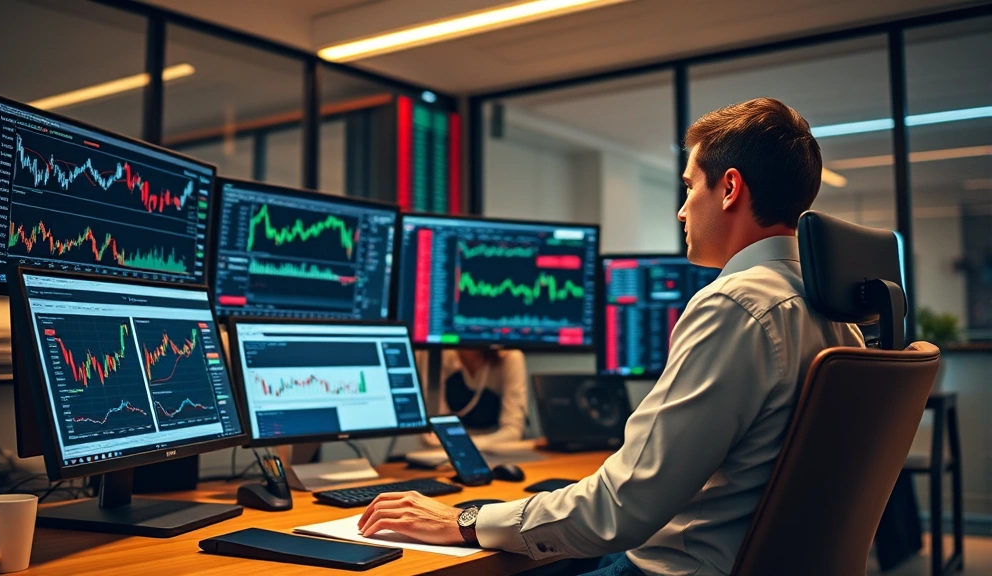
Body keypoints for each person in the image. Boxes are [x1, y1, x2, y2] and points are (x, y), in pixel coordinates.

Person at [356, 97, 866, 575]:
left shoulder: (735, 304)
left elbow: (622, 506)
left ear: (730, 188)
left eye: (690, 187)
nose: (682, 210)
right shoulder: (834, 314)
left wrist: (464, 520)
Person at [422, 349, 528, 447]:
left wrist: (466, 445)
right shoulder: (439, 355)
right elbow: (432, 433)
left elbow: (513, 431)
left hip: (496, 452)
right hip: (447, 453)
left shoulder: (509, 357)